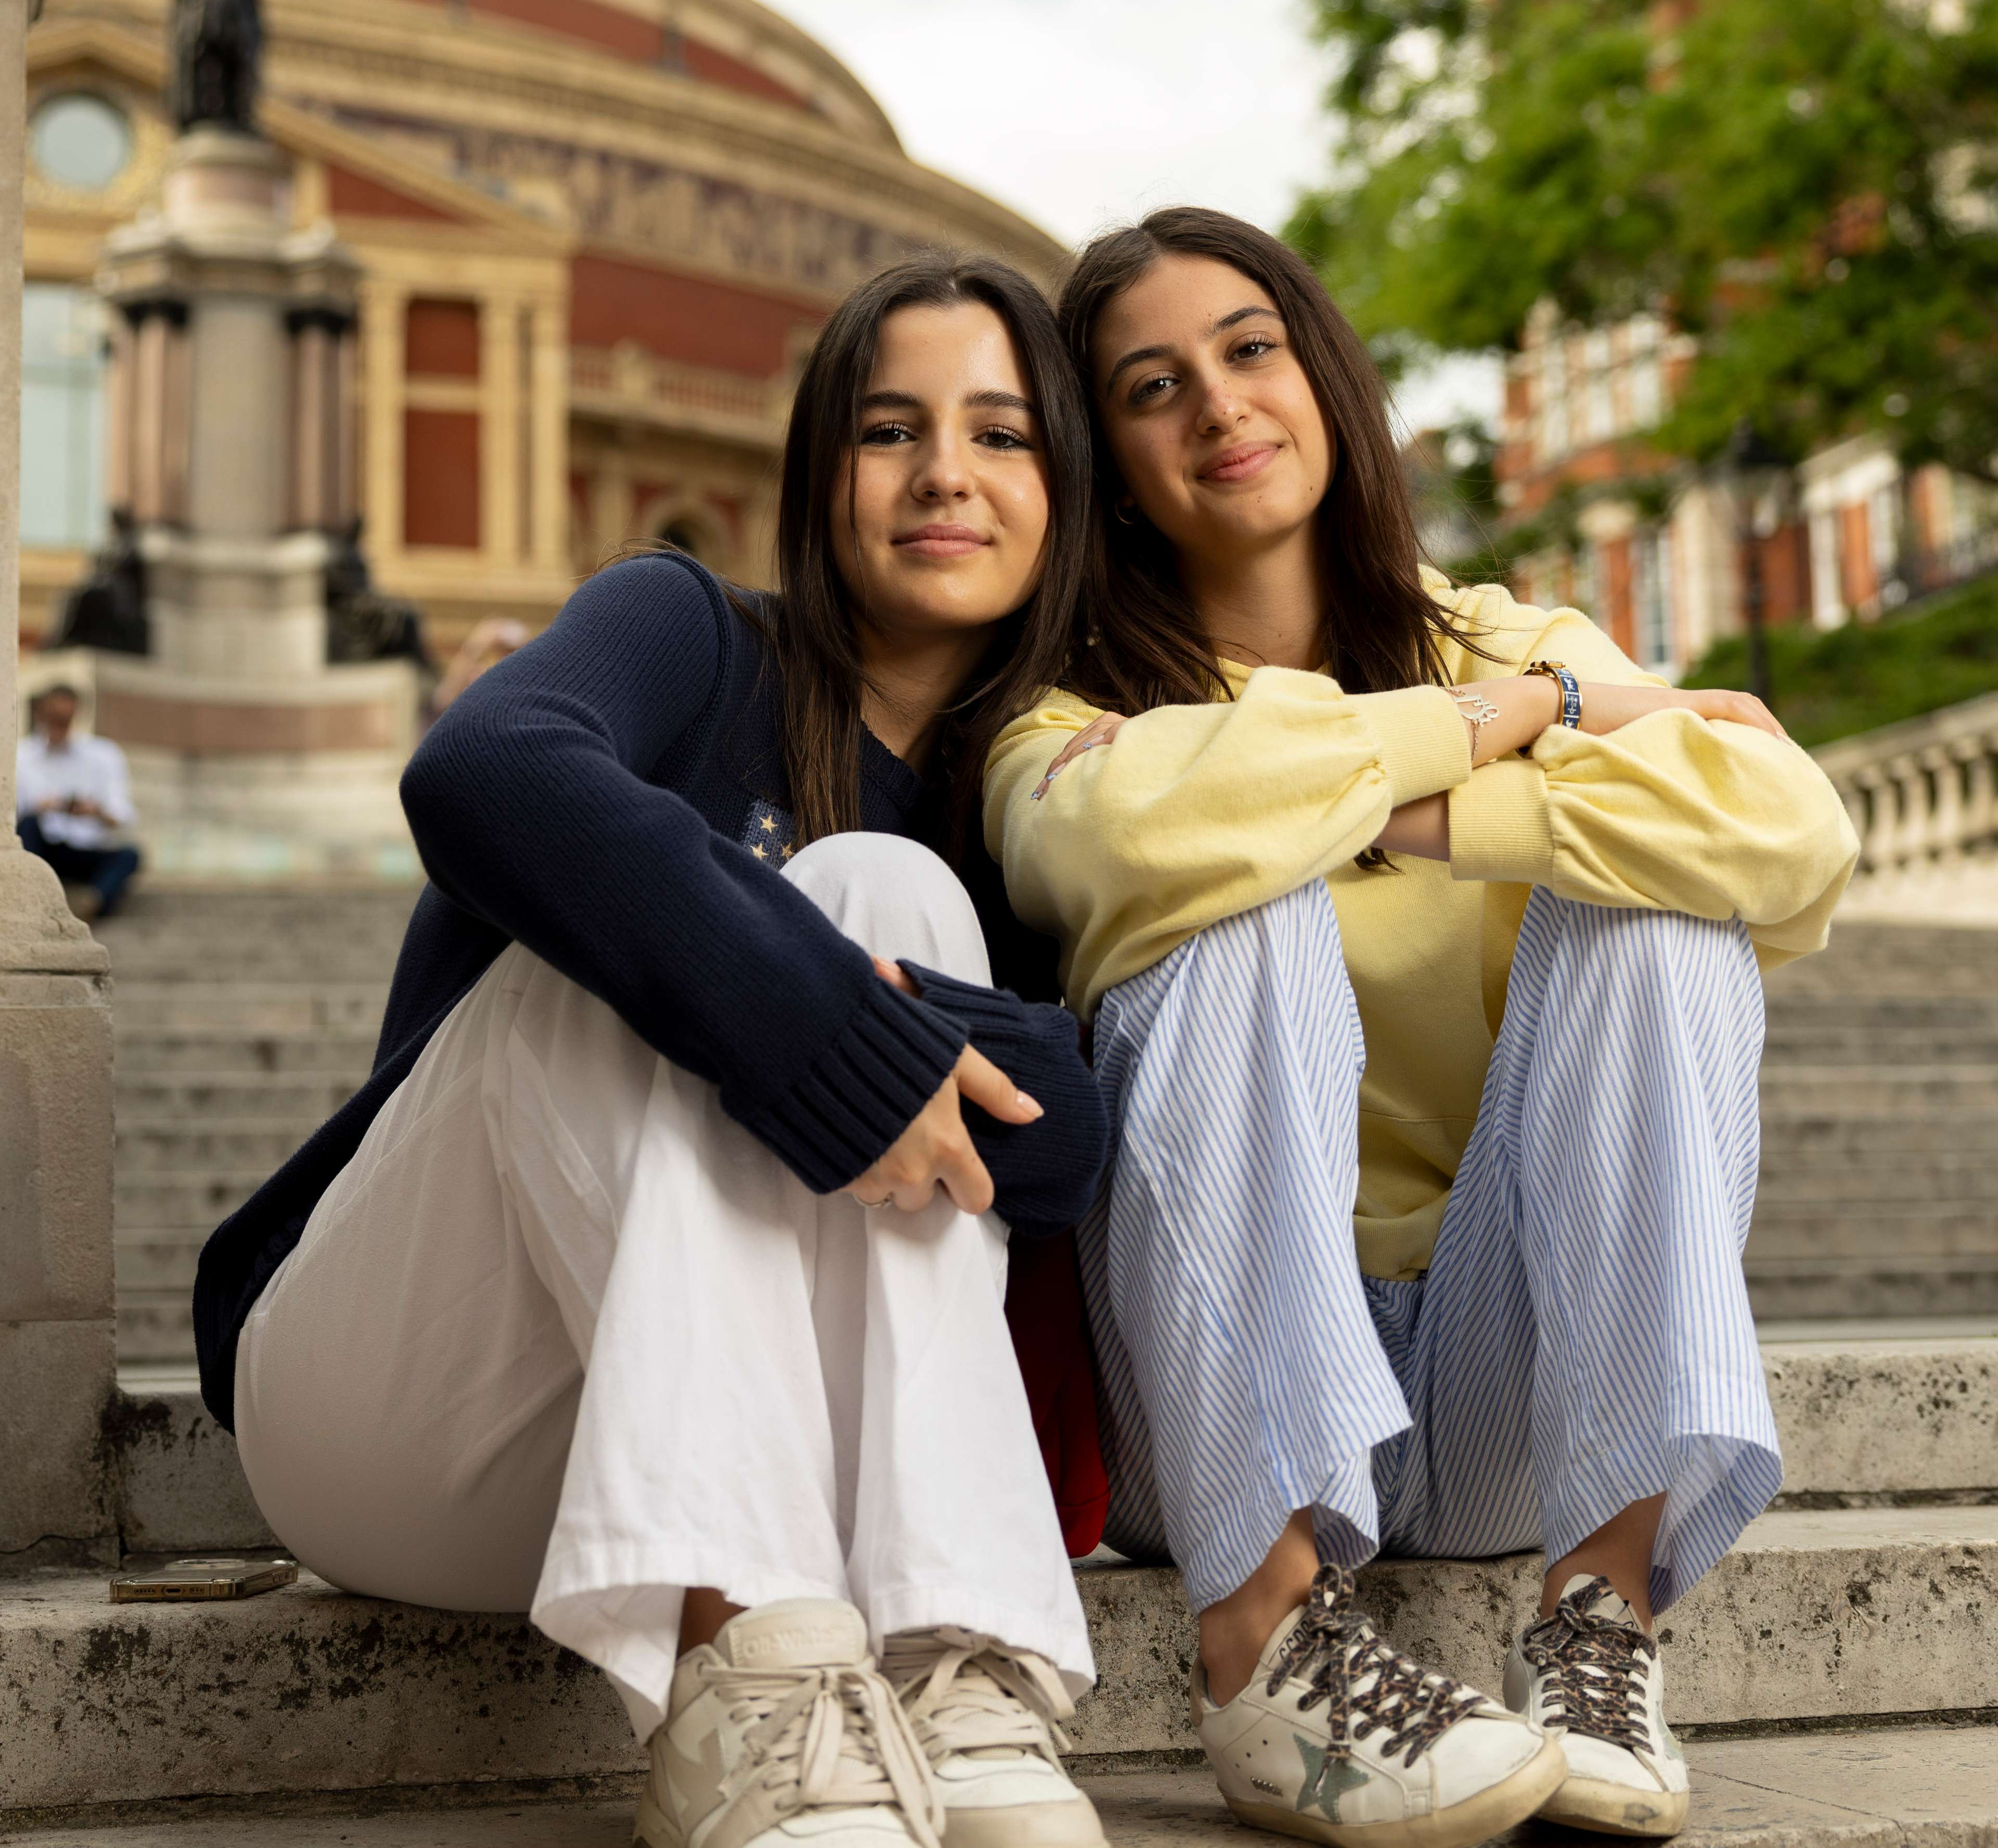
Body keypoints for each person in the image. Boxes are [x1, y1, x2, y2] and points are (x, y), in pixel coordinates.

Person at [195, 255, 1115, 1848]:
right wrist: (810, 1015)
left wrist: (827, 1018)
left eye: (1002, 434)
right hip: (405, 1410)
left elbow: (1070, 1133)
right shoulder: (687, 631)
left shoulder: (1039, 795)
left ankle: (945, 1665)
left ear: (1062, 490)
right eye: (888, 428)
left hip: (710, 1456)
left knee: (878, 886)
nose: (943, 474)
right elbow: (486, 770)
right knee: (642, 933)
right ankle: (745, 1683)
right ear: (817, 470)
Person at [985, 208, 1860, 1846]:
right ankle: (1262, 1653)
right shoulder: (1064, 716)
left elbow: (1785, 828)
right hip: (1216, 1406)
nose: (1219, 405)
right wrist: (1517, 729)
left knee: (1663, 913)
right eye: (1149, 386)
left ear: (1318, 370)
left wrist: (1430, 816)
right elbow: (1117, 839)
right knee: (1219, 897)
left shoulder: (1504, 629)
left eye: (1249, 349)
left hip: (1499, 1386)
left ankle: (1596, 1627)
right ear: (1105, 451)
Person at [15, 684, 142, 919]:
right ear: (40, 714)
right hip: (43, 848)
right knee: (29, 825)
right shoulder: (21, 756)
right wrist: (42, 807)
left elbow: (122, 814)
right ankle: (31, 896)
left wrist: (95, 812)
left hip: (86, 850)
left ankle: (92, 903)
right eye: (55, 717)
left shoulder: (104, 754)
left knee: (129, 856)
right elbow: (13, 817)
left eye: (65, 718)